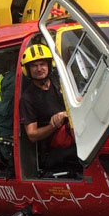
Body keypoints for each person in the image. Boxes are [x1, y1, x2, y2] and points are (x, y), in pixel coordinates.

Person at [18, 42, 80, 177]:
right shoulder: (27, 98)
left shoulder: (60, 82)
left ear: (49, 65)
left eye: (42, 64)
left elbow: (78, 99)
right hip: (55, 149)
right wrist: (52, 125)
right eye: (34, 66)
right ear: (27, 70)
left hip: (76, 135)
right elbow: (32, 135)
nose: (39, 68)